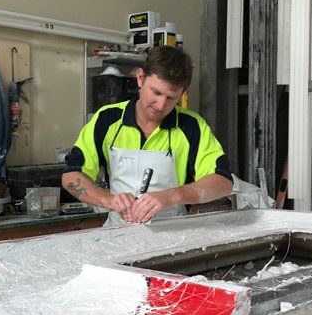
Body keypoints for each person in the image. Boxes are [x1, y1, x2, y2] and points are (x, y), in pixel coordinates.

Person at [62, 45, 233, 226]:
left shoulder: (191, 126)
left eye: (170, 98)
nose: (160, 105)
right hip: (118, 233)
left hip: (173, 235)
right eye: (156, 92)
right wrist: (108, 200)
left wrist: (172, 195)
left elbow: (222, 182)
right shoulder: (107, 119)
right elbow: (72, 175)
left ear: (182, 94)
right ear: (140, 78)